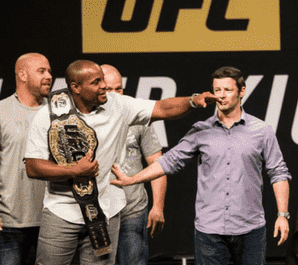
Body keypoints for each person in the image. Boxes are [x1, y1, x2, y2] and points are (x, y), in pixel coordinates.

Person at [24, 59, 218, 264]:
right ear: (76, 87)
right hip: (61, 211)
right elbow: (33, 167)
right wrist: (74, 170)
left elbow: (162, 108)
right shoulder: (49, 115)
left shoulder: (118, 105)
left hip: (105, 212)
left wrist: (192, 101)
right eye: (96, 82)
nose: (104, 87)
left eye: (103, 80)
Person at [110, 66, 291, 265]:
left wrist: (282, 215)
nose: (221, 96)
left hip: (250, 229)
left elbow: (278, 172)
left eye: (228, 90)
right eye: (217, 90)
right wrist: (133, 179)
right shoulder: (201, 131)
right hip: (209, 231)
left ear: (242, 91)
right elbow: (170, 161)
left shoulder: (262, 131)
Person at [0, 52, 52, 264]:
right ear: (22, 75)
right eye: (41, 71)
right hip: (10, 221)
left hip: (53, 219)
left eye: (49, 71)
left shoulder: (58, 114)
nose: (48, 76)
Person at [100, 64, 167, 265]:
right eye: (107, 89)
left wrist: (158, 206)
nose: (115, 94)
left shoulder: (137, 117)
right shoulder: (86, 119)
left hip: (132, 211)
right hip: (99, 213)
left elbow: (157, 163)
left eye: (118, 88)